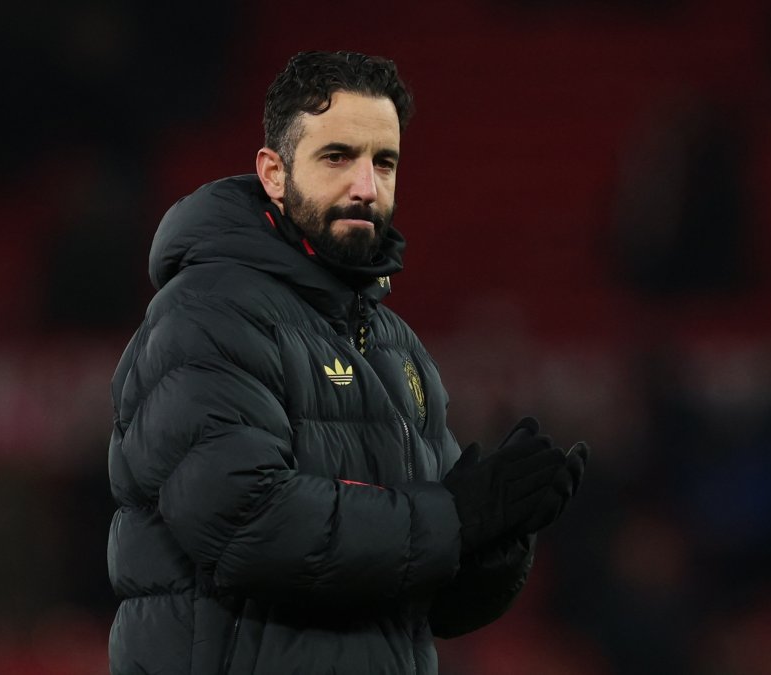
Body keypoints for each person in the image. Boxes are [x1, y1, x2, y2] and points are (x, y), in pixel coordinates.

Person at [106, 50, 590, 675]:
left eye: (383, 162)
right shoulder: (207, 315)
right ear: (274, 173)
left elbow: (434, 600)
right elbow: (249, 526)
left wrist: (497, 536)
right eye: (337, 157)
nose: (366, 187)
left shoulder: (396, 345)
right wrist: (454, 518)